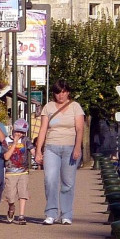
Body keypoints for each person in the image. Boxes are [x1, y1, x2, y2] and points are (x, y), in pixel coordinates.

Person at [34, 79, 85, 225]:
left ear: (68, 92)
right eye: (57, 92)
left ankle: (66, 214)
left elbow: (80, 129)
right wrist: (39, 151)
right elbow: (43, 129)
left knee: (68, 183)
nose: (60, 95)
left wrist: (77, 147)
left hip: (70, 147)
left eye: (63, 92)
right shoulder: (48, 107)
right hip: (51, 147)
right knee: (50, 180)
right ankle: (51, 213)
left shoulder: (75, 107)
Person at [1, 118, 31, 224]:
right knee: (10, 196)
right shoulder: (6, 141)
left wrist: (38, 155)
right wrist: (14, 143)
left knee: (23, 193)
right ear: (13, 130)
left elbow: (32, 149)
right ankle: (11, 207)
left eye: (22, 132)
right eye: (17, 131)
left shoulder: (25, 140)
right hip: (10, 172)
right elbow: (6, 157)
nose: (19, 134)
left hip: (23, 171)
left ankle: (21, 216)